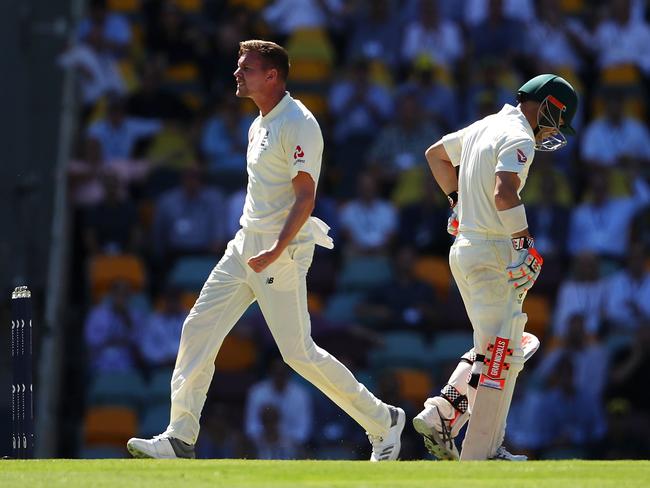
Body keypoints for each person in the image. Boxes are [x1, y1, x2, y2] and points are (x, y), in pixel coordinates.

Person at [126, 40, 405, 461]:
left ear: (272, 75)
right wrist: (255, 245)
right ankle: (180, 437)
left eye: (246, 68)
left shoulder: (300, 123)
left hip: (283, 250)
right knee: (197, 328)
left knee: (298, 353)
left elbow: (306, 197)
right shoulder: (257, 124)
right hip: (244, 246)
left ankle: (384, 421)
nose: (237, 75)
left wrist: (276, 249)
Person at [412, 74, 578, 461]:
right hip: (491, 252)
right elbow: (505, 192)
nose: (553, 130)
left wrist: (457, 200)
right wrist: (523, 243)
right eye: (557, 119)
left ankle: (443, 413)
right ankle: (482, 452)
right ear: (549, 104)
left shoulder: (485, 124)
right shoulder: (518, 136)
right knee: (503, 354)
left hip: (465, 250)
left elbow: (435, 154)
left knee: (496, 349)